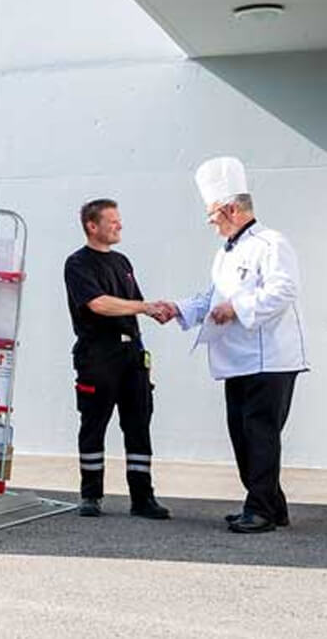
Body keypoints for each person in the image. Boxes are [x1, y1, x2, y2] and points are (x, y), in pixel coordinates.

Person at [159, 157, 309, 534]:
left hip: (269, 358)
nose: (210, 221)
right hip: (237, 360)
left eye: (212, 213)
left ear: (230, 209)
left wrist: (238, 308)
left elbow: (284, 289)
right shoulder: (224, 253)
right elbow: (212, 297)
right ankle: (272, 506)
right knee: (242, 434)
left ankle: (259, 509)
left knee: (259, 434)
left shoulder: (270, 243)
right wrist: (178, 308)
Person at [63, 199, 172, 519]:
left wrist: (160, 311)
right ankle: (90, 496)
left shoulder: (122, 261)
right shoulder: (78, 264)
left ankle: (142, 498)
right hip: (97, 356)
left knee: (139, 424)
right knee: (94, 424)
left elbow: (135, 302)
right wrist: (144, 307)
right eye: (112, 221)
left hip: (132, 356)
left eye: (119, 220)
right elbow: (98, 304)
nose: (119, 226)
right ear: (92, 226)